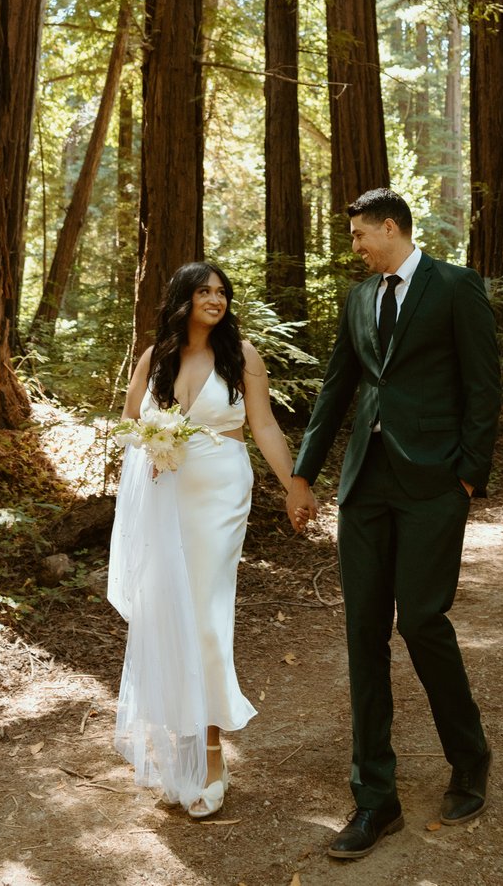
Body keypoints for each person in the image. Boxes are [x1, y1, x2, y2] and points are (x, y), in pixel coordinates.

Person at [286, 188, 501, 861]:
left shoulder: (456, 287)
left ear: (389, 228)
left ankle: (470, 758)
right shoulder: (359, 300)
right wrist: (305, 472)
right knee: (363, 632)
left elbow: (483, 385)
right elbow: (336, 387)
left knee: (421, 623)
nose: (354, 247)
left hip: (435, 483)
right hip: (365, 484)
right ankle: (375, 797)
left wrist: (467, 474)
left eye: (358, 236)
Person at [107, 261, 297, 820]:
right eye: (204, 291)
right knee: (170, 617)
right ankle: (181, 751)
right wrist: (152, 447)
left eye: (222, 292)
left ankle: (213, 756)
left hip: (219, 494)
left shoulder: (243, 358)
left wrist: (294, 487)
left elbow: (262, 426)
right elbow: (126, 422)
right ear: (182, 299)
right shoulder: (155, 358)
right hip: (165, 498)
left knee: (208, 619)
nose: (216, 299)